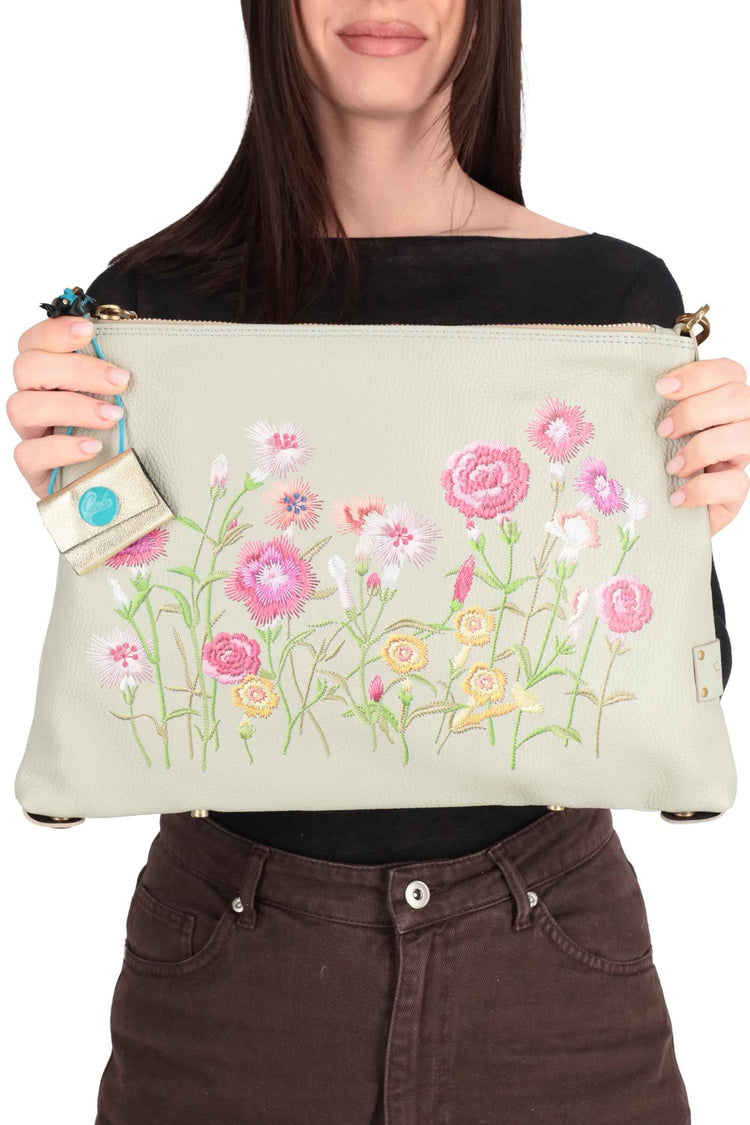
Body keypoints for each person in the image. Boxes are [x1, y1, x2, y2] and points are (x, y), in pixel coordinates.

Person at [8, 3, 749, 1122]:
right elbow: (133, 637)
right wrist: (70, 484)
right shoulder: (149, 301)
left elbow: (680, 680)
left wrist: (698, 517)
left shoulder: (614, 300)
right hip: (229, 983)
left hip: (553, 970)